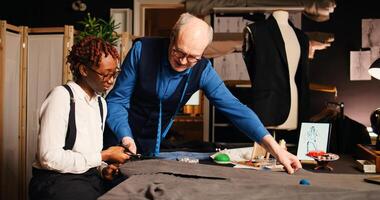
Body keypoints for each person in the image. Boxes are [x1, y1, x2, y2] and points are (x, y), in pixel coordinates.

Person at [106, 12, 302, 174]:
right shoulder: (142, 50)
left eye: (193, 57)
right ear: (172, 37)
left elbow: (236, 110)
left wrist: (275, 149)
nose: (183, 61)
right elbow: (117, 101)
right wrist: (125, 137)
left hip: (151, 146)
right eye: (178, 52)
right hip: (115, 138)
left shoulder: (203, 70)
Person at [29, 36, 130, 200]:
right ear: (83, 70)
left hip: (88, 180)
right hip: (55, 182)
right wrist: (103, 156)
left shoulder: (101, 104)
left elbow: (88, 156)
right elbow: (48, 158)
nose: (111, 81)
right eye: (105, 74)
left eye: (114, 74)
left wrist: (102, 169)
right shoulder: (61, 97)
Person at [242, 10, 310, 130]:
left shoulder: (302, 37)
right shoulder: (257, 30)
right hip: (268, 105)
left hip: (295, 102)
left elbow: (302, 76)